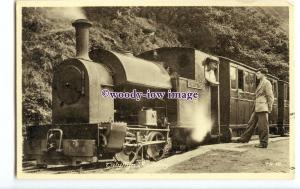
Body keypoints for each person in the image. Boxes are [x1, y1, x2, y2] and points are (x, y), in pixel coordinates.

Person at [233, 68, 274, 148]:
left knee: (263, 126)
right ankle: (244, 139)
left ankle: (263, 143)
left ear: (263, 74)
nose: (257, 75)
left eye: (258, 73)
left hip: (263, 107)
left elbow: (270, 96)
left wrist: (269, 107)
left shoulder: (267, 83)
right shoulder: (261, 82)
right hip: (257, 107)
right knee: (251, 123)